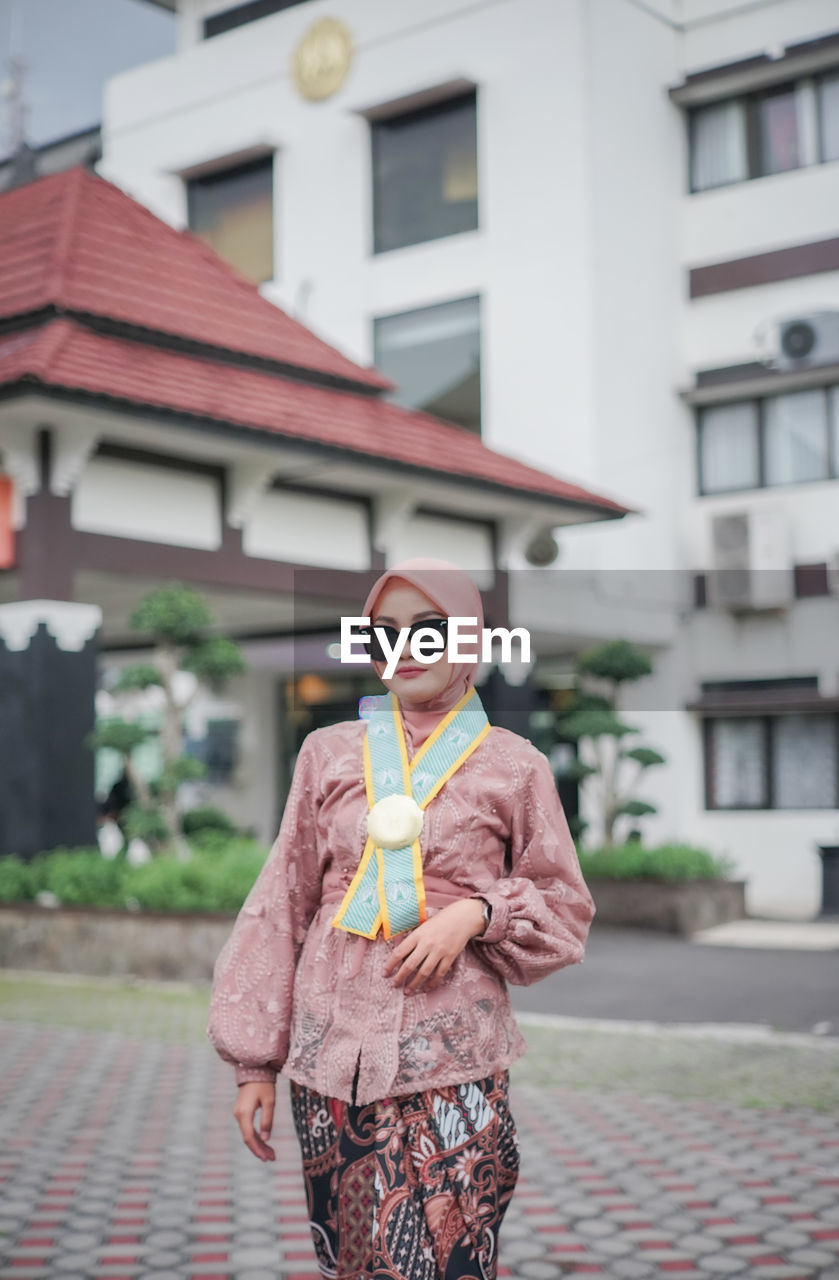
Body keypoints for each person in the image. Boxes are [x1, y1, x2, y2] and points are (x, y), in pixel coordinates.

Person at [207, 558, 596, 1280]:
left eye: (427, 630)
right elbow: (280, 902)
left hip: (452, 1060)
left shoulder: (515, 766)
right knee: (352, 1258)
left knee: (453, 1258)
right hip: (330, 1058)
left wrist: (476, 914)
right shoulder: (326, 753)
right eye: (382, 633)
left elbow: (563, 906)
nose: (403, 650)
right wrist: (253, 1062)